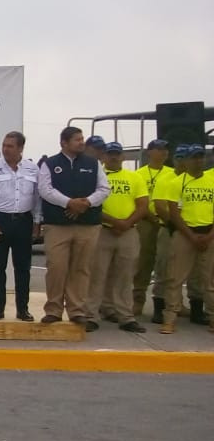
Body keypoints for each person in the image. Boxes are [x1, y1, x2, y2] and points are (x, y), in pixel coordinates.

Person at [38, 126, 110, 331]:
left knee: (81, 268)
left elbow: (104, 189)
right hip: (57, 225)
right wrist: (69, 203)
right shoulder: (50, 164)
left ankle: (77, 311)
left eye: (82, 138)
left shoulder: (93, 163)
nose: (81, 142)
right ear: (64, 142)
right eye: (77, 139)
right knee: (56, 267)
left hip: (87, 225)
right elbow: (45, 190)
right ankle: (53, 310)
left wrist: (86, 203)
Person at [0, 131, 42, 321]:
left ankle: (23, 310)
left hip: (23, 221)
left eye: (10, 146)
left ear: (20, 148)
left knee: (23, 268)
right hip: (0, 220)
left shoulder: (32, 169)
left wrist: (37, 222)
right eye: (4, 145)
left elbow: (37, 198)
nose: (5, 149)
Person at [86, 142, 148, 332]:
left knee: (125, 275)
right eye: (110, 154)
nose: (114, 157)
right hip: (103, 230)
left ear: (123, 157)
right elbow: (91, 204)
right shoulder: (96, 176)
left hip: (128, 232)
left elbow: (143, 204)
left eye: (117, 154)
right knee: (96, 275)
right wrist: (114, 222)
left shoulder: (134, 177)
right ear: (104, 157)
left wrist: (126, 223)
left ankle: (126, 317)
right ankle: (91, 315)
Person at [157, 145, 214, 334]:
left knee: (209, 280)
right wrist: (191, 236)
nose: (198, 161)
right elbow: (174, 213)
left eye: (201, 157)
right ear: (186, 161)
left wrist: (208, 236)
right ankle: (170, 319)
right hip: (185, 233)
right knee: (175, 278)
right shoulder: (177, 183)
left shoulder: (212, 181)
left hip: (209, 234)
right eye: (194, 158)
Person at [133, 139, 176, 321]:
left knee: (167, 262)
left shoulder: (173, 173)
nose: (163, 152)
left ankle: (172, 302)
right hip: (146, 220)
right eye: (159, 149)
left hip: (167, 222)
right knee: (143, 260)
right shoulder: (139, 174)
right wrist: (151, 217)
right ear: (149, 152)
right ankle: (138, 299)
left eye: (166, 149)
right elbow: (136, 198)